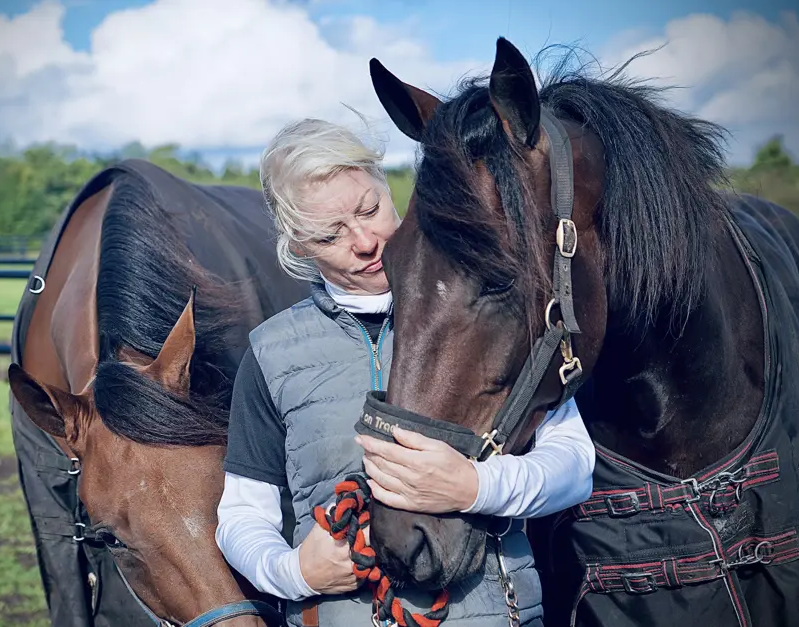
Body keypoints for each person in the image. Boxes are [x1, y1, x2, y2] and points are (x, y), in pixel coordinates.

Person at [215, 117, 596, 626]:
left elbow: (574, 467)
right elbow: (241, 515)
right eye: (330, 234)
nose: (365, 241)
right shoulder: (270, 354)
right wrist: (294, 572)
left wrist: (475, 488)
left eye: (370, 209)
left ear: (389, 189)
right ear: (298, 245)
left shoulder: (492, 308)